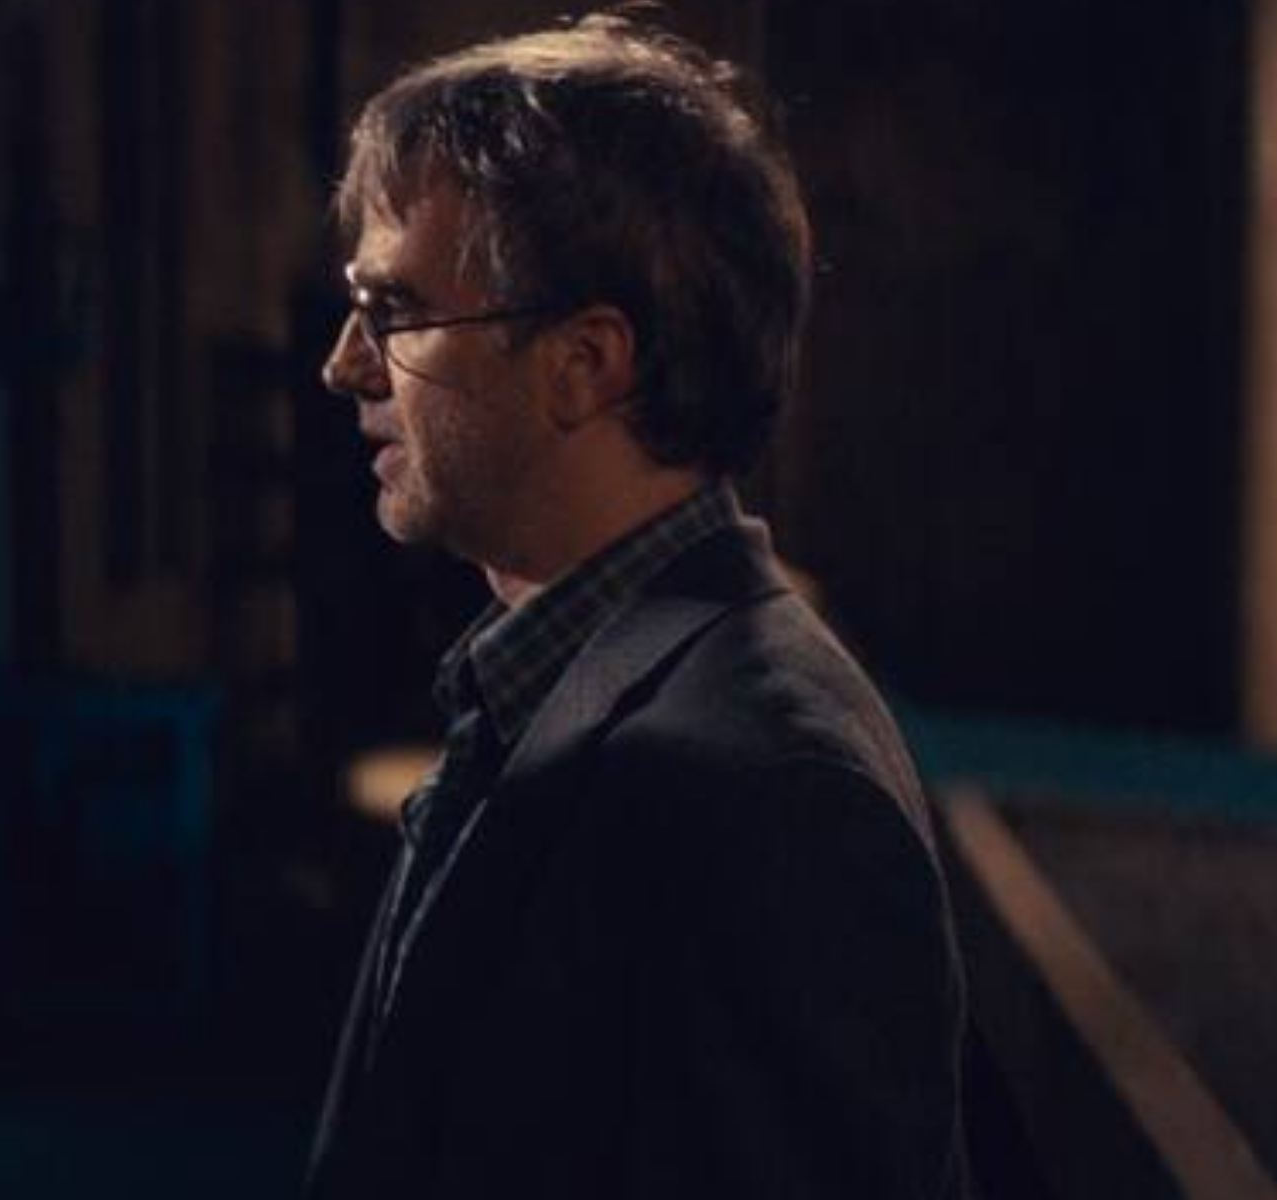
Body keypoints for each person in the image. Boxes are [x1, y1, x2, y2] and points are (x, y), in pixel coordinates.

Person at [307, 17, 968, 1198]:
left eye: (392, 309)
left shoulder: (761, 784)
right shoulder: (572, 672)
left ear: (584, 363)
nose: (344, 365)